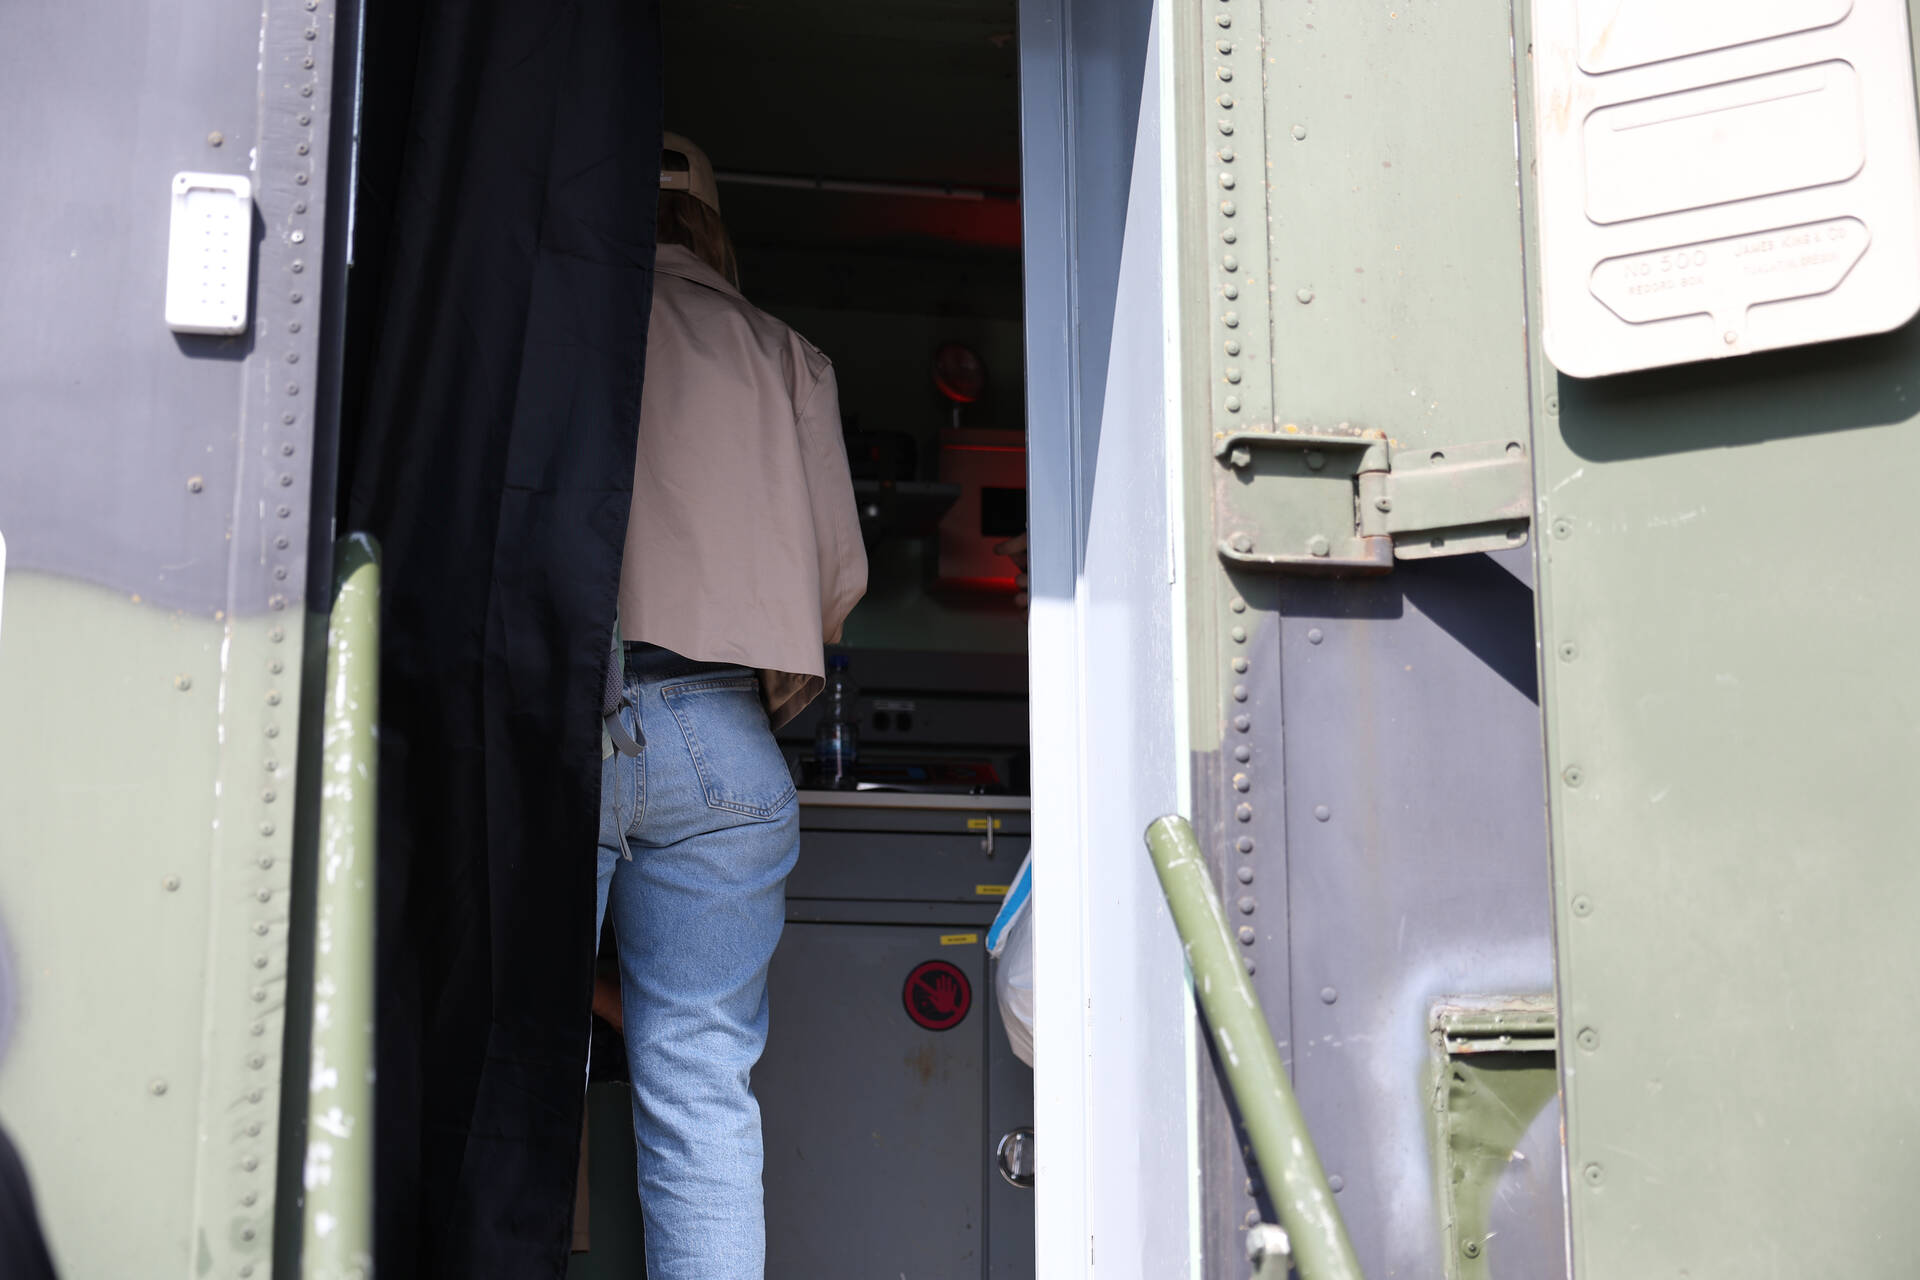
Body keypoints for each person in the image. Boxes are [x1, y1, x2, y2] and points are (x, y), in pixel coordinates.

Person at [590, 133, 866, 1280]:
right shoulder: (787, 355)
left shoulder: (563, 327)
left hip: (580, 708)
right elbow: (837, 580)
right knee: (702, 1089)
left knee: (513, 1069)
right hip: (726, 741)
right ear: (709, 223)